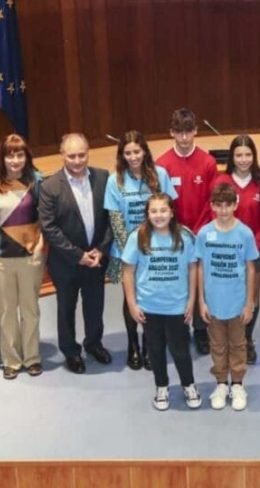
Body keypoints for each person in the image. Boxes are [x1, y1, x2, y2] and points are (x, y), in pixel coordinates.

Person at [38, 133, 112, 374]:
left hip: (96, 259)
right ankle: (71, 351)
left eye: (82, 155)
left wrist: (101, 250)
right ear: (62, 155)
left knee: (95, 305)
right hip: (66, 262)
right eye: (72, 156)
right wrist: (78, 255)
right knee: (66, 308)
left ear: (88, 152)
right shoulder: (49, 186)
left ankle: (93, 344)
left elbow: (112, 218)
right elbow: (49, 227)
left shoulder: (103, 178)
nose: (78, 161)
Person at [105, 130, 177, 370]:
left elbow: (167, 211)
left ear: (144, 151)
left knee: (151, 297)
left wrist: (153, 249)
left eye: (137, 151)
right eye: (128, 153)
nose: (133, 156)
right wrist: (131, 253)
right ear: (121, 155)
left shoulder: (160, 175)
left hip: (157, 249)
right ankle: (133, 345)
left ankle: (149, 345)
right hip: (127, 250)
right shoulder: (115, 180)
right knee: (131, 299)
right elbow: (116, 219)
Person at [122, 193, 202, 411]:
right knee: (155, 350)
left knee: (180, 350)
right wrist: (132, 304)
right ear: (147, 214)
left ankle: (189, 384)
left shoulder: (184, 236)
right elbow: (128, 272)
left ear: (172, 212)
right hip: (149, 306)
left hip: (176, 306)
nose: (159, 215)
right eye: (154, 211)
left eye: (163, 210)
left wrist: (191, 301)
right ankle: (161, 386)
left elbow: (193, 268)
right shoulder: (137, 236)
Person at [0, 134, 44, 380]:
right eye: (10, 154)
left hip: (30, 256)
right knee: (6, 311)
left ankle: (32, 358)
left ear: (26, 157)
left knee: (30, 309)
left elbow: (44, 219)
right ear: (2, 157)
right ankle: (12, 360)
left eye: (20, 154)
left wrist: (40, 246)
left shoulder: (37, 180)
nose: (15, 160)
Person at [156, 108, 219, 355]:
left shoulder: (208, 162)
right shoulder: (162, 164)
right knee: (177, 283)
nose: (183, 138)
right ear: (172, 132)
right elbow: (162, 202)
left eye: (188, 132)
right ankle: (178, 330)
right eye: (178, 132)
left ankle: (202, 330)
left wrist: (199, 230)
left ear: (195, 131)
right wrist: (176, 229)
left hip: (201, 232)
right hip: (173, 234)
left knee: (201, 282)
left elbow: (212, 201)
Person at [196, 183, 259, 411]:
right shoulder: (204, 234)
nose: (223, 210)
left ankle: (238, 384)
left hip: (237, 303)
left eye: (228, 205)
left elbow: (251, 268)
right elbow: (201, 266)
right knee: (218, 345)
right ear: (212, 206)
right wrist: (201, 301)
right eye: (218, 205)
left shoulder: (244, 233)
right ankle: (221, 383)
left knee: (238, 344)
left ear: (236, 205)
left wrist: (249, 303)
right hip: (213, 304)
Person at [210, 135, 260, 365]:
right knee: (228, 293)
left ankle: (247, 340)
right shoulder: (221, 181)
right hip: (225, 251)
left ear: (254, 156)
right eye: (239, 155)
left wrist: (257, 243)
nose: (243, 159)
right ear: (231, 157)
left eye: (248, 154)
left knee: (251, 296)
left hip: (256, 250)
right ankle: (226, 340)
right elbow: (214, 214)